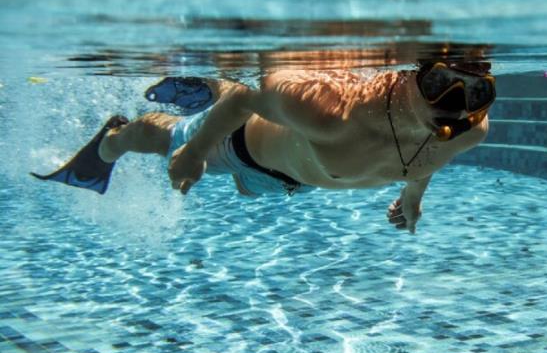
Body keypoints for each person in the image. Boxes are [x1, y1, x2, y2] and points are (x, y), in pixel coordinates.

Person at [31, 61, 496, 233]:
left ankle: (211, 87)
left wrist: (411, 202)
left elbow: (427, 156)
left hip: (294, 178)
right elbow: (250, 96)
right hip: (241, 147)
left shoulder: (469, 131)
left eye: (474, 93)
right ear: (412, 74)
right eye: (439, 84)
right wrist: (194, 154)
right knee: (165, 139)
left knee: (247, 188)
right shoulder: (332, 112)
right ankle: (110, 142)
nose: (454, 105)